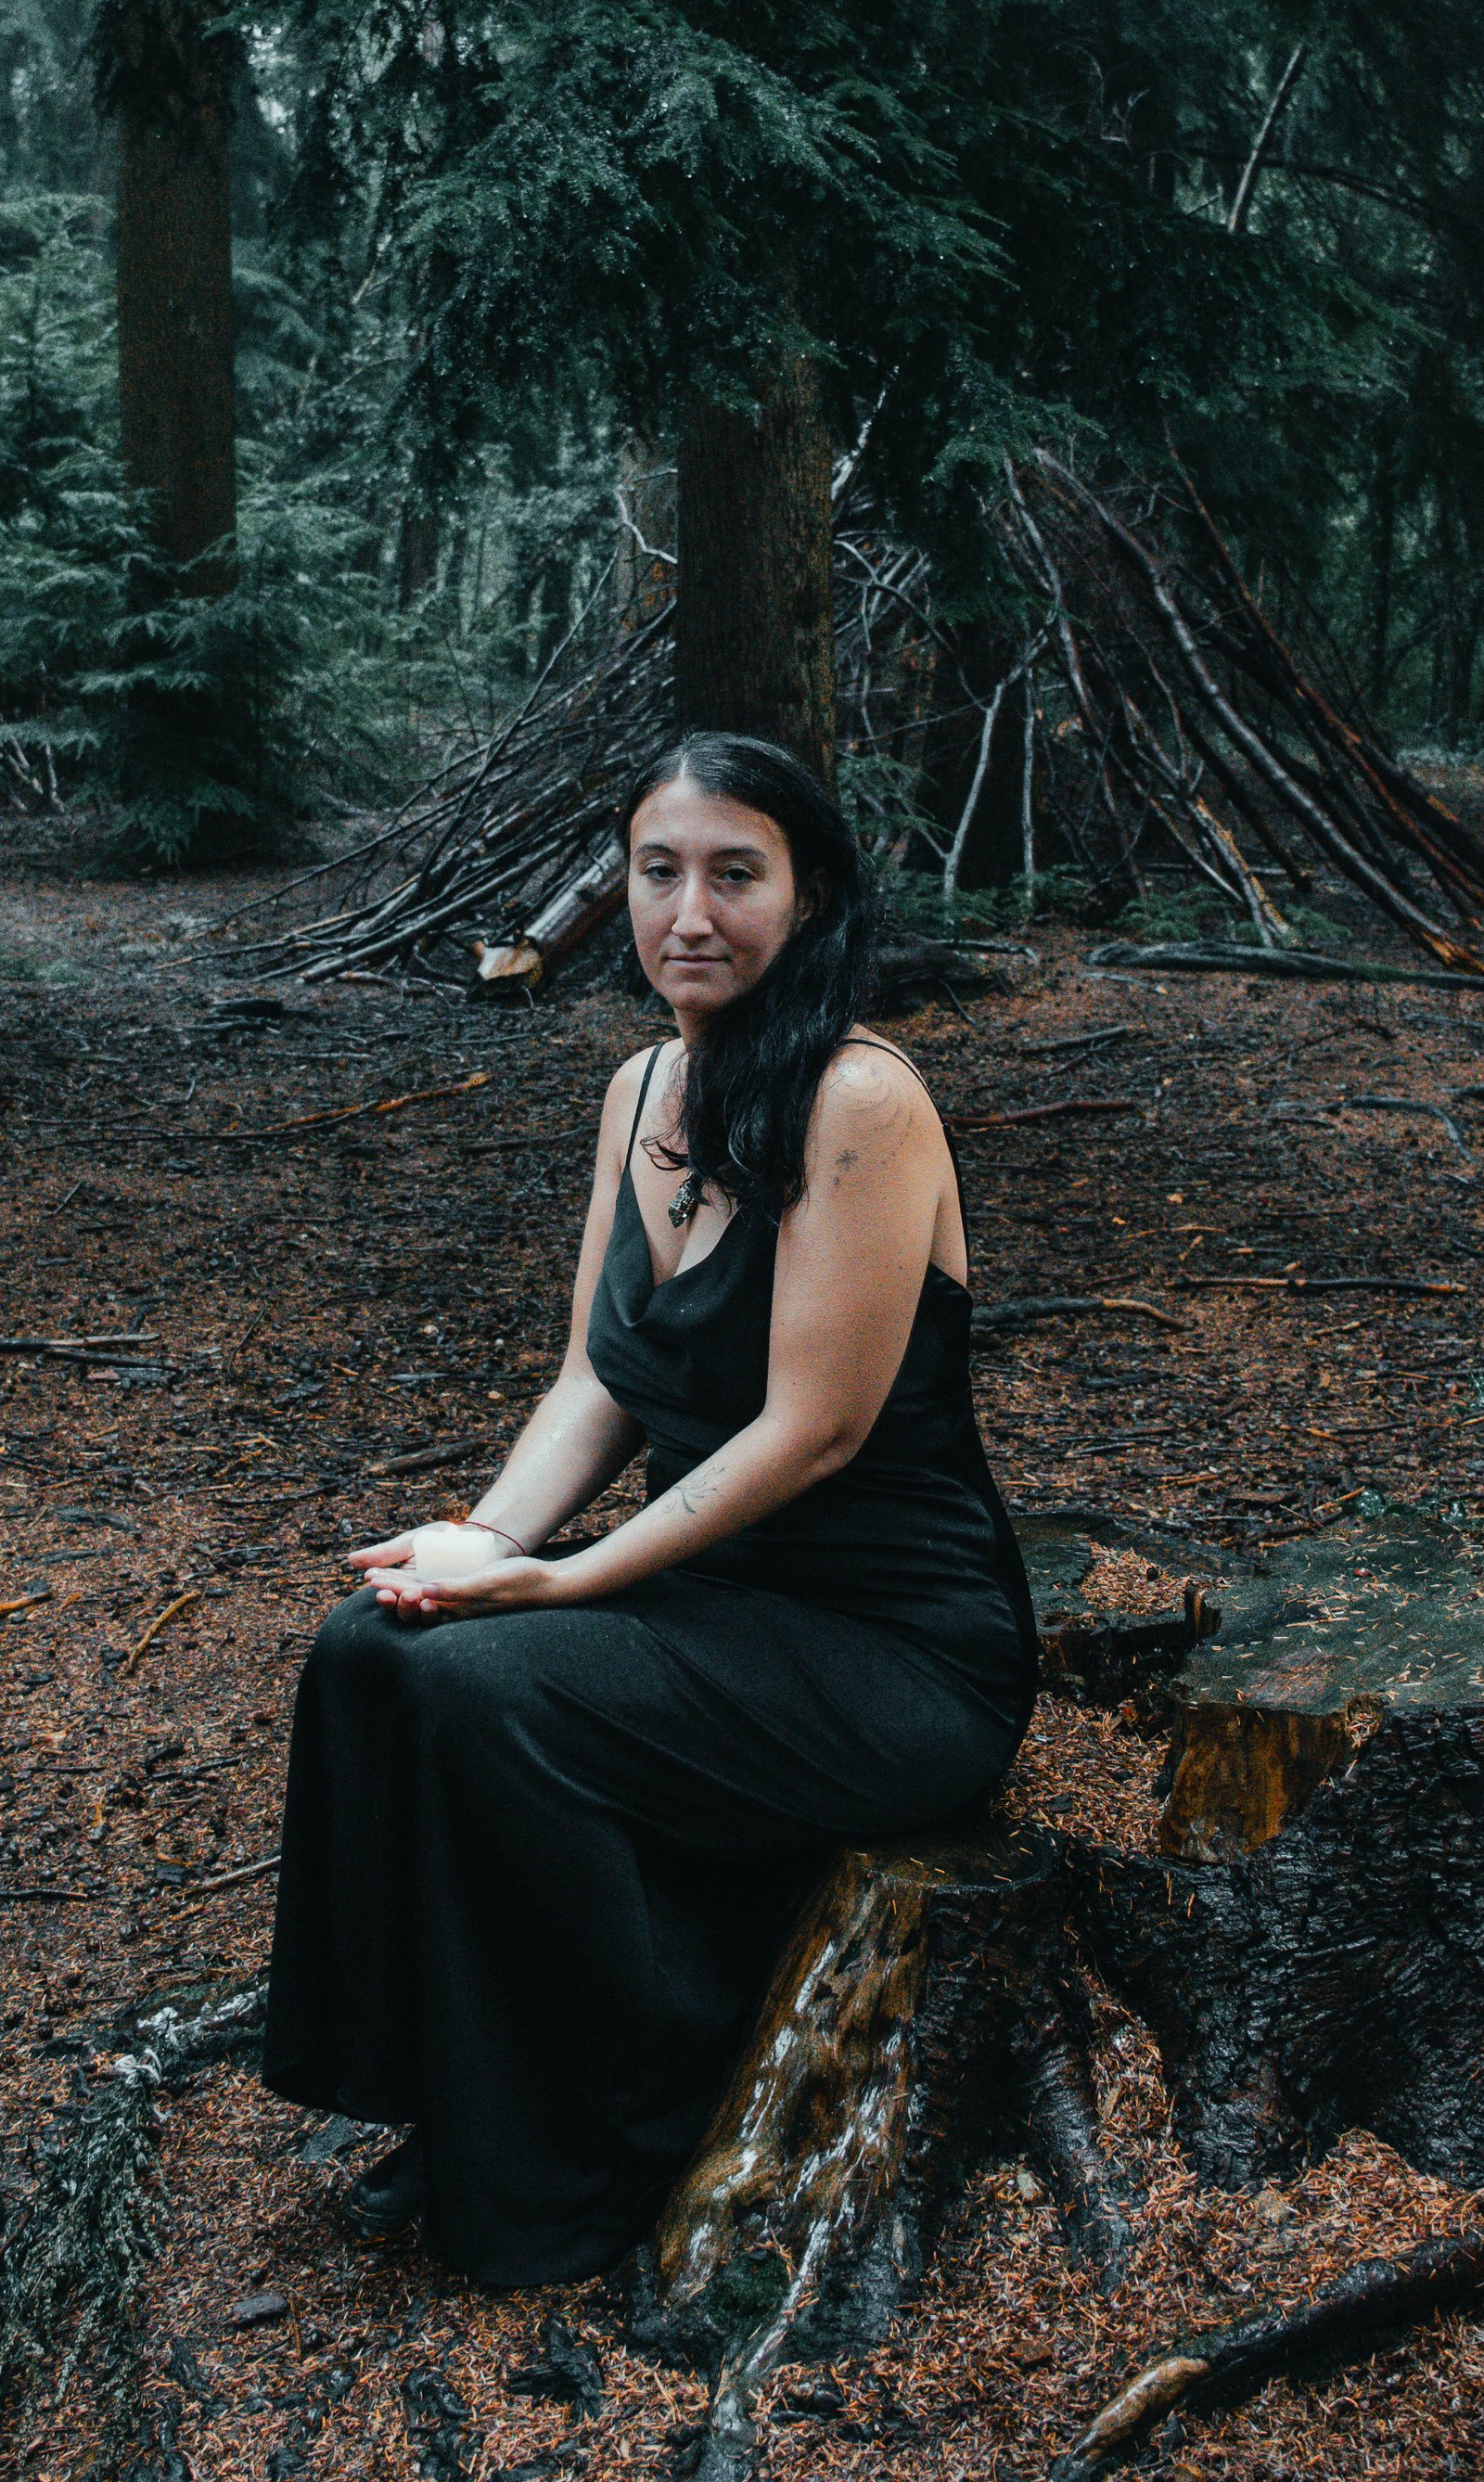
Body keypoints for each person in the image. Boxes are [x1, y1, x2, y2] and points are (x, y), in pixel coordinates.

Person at [260, 731, 1037, 2284]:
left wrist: (563, 1583)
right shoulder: (637, 1091)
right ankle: (444, 2099)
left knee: (496, 1698)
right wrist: (480, 1546)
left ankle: (598, 2152)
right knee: (373, 1648)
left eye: (735, 873)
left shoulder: (862, 1100)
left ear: (809, 900)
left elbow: (815, 1434)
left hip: (895, 1651)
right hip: (722, 1610)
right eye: (658, 870)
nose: (690, 910)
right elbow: (594, 1382)